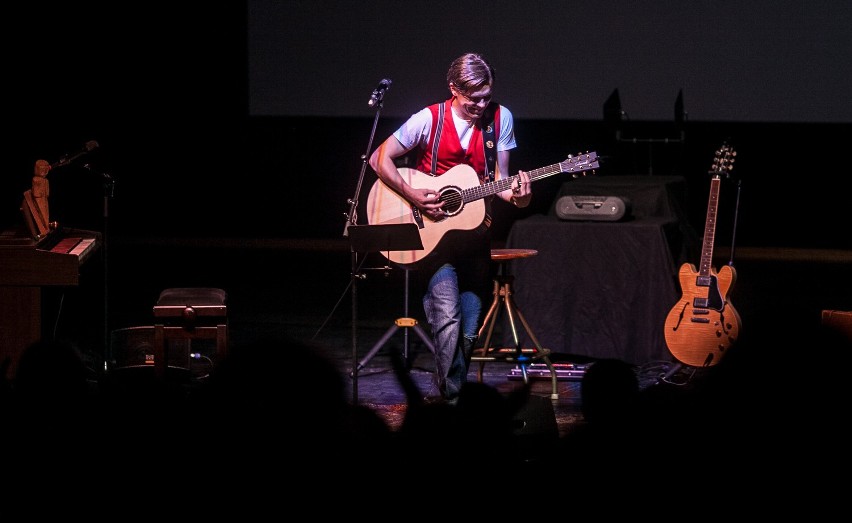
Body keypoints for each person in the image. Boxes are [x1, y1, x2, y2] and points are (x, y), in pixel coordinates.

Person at [368, 52, 531, 403]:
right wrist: (414, 196)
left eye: (487, 96)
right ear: (453, 88)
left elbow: (501, 182)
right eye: (474, 99)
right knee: (448, 316)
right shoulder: (428, 118)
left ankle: (443, 397)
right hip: (432, 236)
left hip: (474, 238)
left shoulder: (501, 118)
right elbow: (379, 158)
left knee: (469, 329)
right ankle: (452, 404)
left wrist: (520, 196)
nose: (482, 104)